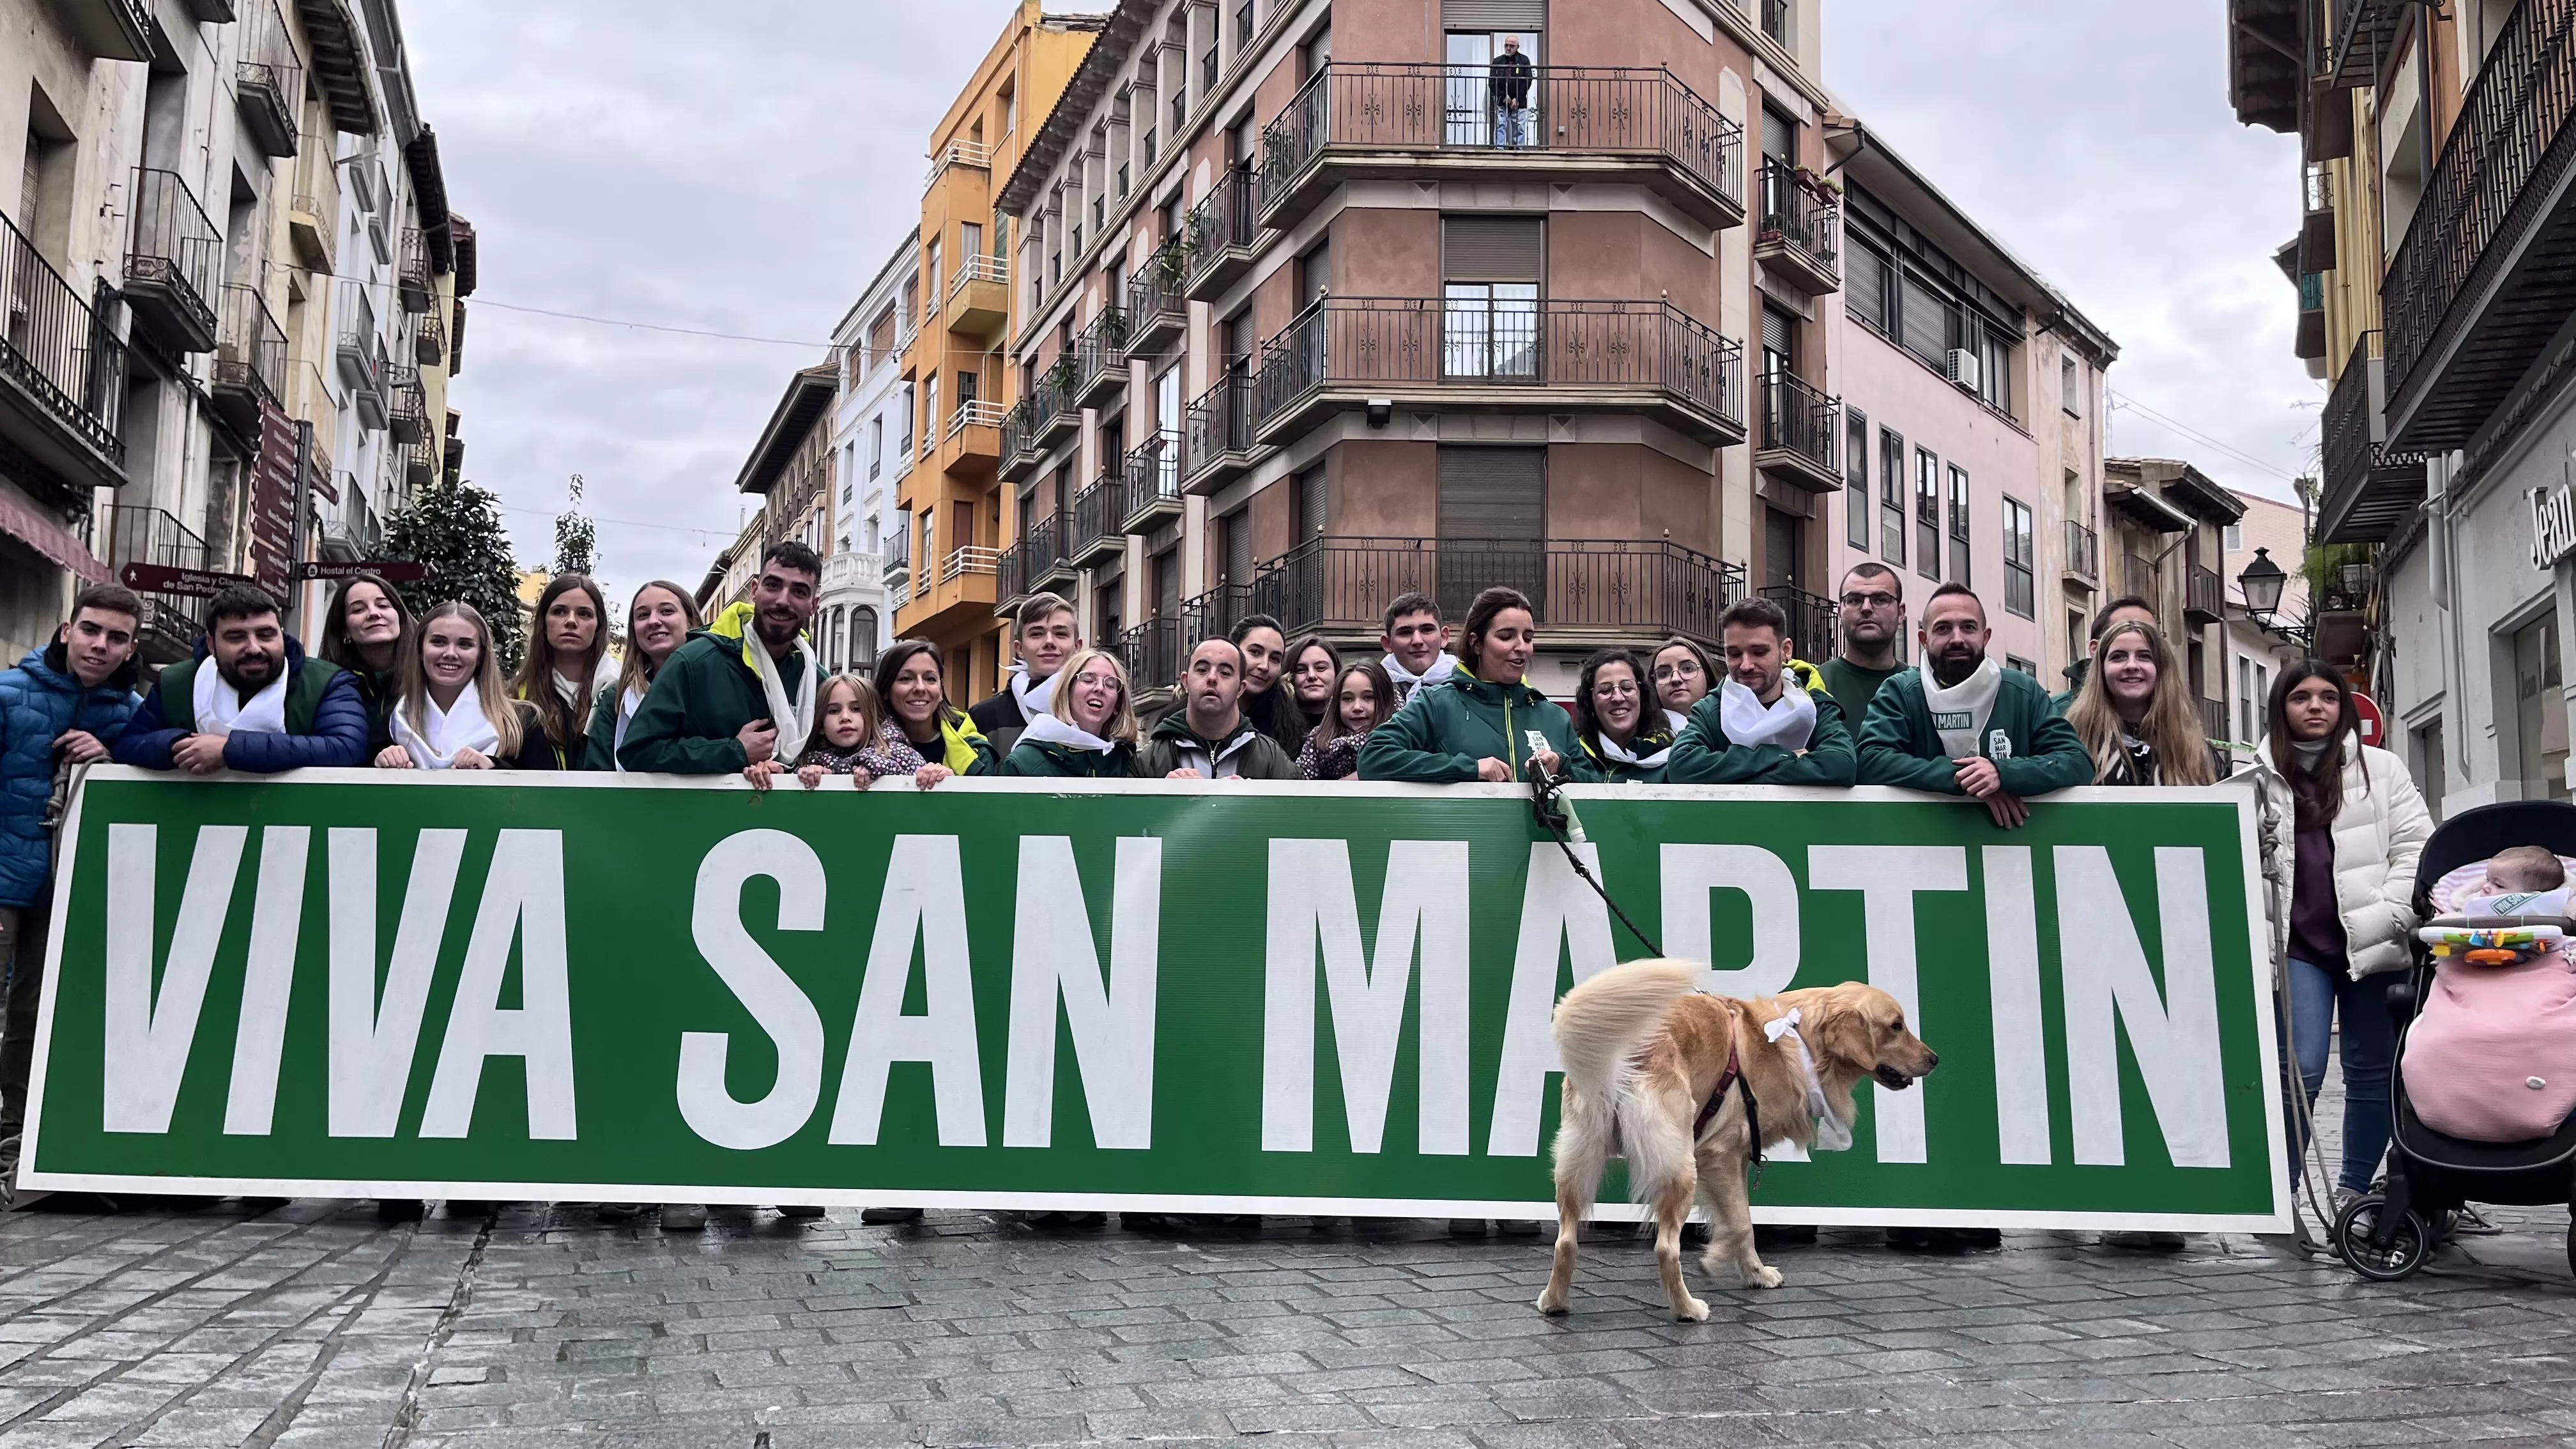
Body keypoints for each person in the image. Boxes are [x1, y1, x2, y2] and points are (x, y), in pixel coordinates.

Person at [2251, 661, 2431, 1220]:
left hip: (2373, 942)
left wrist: (2394, 913)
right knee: (2300, 1069)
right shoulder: (2252, 777)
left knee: (2372, 1070)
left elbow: (2416, 846)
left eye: (2328, 696)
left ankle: (2354, 1190)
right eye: (2301, 696)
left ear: (2343, 707)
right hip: (2296, 946)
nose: (2315, 706)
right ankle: (2279, 1193)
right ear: (2281, 706)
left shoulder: (2383, 768)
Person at [1, 585, 143, 1200]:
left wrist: (112, 752)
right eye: (91, 630)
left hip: (69, 888)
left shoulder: (133, 713)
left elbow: (152, 765)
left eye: (116, 637)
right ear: (67, 630)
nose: (100, 645)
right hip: (5, 879)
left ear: (131, 646)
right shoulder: (9, 695)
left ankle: (14, 1151)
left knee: (34, 1020)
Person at [1855, 583, 2092, 831]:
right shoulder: (1900, 692)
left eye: (1968, 628)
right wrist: (1967, 780)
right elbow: (1871, 761)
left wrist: (2003, 774)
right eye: (1943, 628)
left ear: (1985, 636)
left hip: (2010, 846)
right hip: (1918, 844)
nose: (1957, 639)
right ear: (1924, 639)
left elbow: (2077, 761)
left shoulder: (2023, 691)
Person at [618, 543, 822, 788]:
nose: (782, 600)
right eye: (773, 585)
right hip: (705, 822)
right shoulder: (693, 662)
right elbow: (637, 751)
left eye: (799, 592)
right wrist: (734, 752)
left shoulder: (816, 680)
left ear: (814, 604)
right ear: (755, 590)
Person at [114, 586, 371, 774]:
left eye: (266, 634)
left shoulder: (329, 683)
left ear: (282, 636)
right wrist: (180, 745)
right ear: (212, 644)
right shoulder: (177, 682)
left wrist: (230, 750)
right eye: (236, 637)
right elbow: (129, 745)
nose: (254, 648)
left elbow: (347, 748)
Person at [1360, 586, 1586, 785]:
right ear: (1476, 643)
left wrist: (1561, 766)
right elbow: (1373, 757)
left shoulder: (1555, 716)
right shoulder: (1437, 703)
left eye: (1528, 638)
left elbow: (1598, 783)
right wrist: (1471, 768)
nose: (1521, 647)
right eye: (1506, 636)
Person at [1667, 597, 1857, 786]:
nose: (1746, 665)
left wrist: (1731, 774)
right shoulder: (1709, 710)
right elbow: (1681, 766)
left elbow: (1841, 765)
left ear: (1786, 650)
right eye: (1734, 654)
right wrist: (1786, 757)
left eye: (1759, 652)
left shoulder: (1817, 706)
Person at [374, 602, 556, 771]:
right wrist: (380, 767)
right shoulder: (392, 721)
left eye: (465, 644)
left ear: (480, 657)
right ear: (421, 651)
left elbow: (545, 798)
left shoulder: (522, 723)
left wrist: (496, 769)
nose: (450, 653)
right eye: (439, 642)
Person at [2064, 620, 2223, 789]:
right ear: (2102, 670)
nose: (2132, 665)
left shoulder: (2199, 754)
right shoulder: (2069, 744)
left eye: (2144, 656)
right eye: (2118, 656)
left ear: (2161, 669)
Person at [582, 581, 702, 771]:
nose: (653, 621)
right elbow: (597, 778)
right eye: (643, 615)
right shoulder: (615, 697)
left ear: (692, 621)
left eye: (667, 611)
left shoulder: (723, 686)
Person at [1139, 638, 1300, 779]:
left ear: (1240, 689)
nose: (1212, 678)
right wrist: (1162, 799)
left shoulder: (1272, 758)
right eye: (1202, 670)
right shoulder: (1150, 759)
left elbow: (1302, 811)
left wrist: (1253, 803)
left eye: (1225, 672)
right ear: (1185, 681)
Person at [512, 574, 610, 769]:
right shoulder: (515, 700)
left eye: (584, 614)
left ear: (598, 626)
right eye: (559, 611)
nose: (571, 621)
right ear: (544, 623)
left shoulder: (622, 691)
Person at [868, 640, 997, 786]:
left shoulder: (976, 751)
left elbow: (984, 806)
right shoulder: (860, 744)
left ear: (941, 690)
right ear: (886, 690)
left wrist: (952, 784)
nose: (921, 688)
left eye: (930, 679)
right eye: (906, 679)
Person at [997, 648, 1142, 778]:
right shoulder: (1024, 762)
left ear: (1117, 704)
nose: (1099, 688)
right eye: (1088, 679)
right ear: (1067, 691)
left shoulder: (1128, 764)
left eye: (1110, 684)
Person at [969, 592, 1080, 755]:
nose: (1049, 642)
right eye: (1037, 633)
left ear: (1077, 647)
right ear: (1019, 649)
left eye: (1060, 634)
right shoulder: (984, 717)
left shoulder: (1099, 712)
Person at [316, 572, 415, 754]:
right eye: (358, 609)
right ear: (345, 630)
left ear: (399, 616)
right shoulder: (329, 685)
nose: (374, 614)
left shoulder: (429, 676)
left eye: (383, 605)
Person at [1570, 649, 1676, 783]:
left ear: (1642, 696)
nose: (1618, 698)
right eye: (1605, 690)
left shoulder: (1673, 756)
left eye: (1627, 688)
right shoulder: (1574, 758)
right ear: (1590, 701)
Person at [1819, 562, 1908, 721]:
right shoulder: (1814, 686)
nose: (1866, 608)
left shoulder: (1919, 688)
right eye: (1854, 600)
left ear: (1900, 613)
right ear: (1840, 612)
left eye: (1880, 599)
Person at [2055, 594, 2158, 714]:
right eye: (2122, 629)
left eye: (2149, 634)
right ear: (2095, 649)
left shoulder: (2180, 714)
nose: (2135, 634)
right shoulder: (2056, 716)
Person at [778, 673, 880, 790]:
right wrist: (809, 775)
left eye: (856, 709)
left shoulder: (890, 752)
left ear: (873, 717)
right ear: (821, 725)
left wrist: (876, 766)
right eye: (834, 711)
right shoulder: (810, 761)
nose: (845, 717)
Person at [1299, 660, 1392, 781]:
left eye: (1368, 697)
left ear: (1385, 701)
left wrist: (1366, 775)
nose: (1357, 707)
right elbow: (1298, 786)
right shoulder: (1317, 741)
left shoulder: (1400, 739)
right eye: (1347, 699)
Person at [1228, 613, 1303, 752]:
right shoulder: (1187, 716)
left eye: (1275, 659)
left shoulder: (1290, 729)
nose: (1264, 666)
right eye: (1255, 652)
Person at [1377, 593, 1457, 710]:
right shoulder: (1373, 688)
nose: (1417, 641)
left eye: (1427, 630)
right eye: (1405, 632)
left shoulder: (1469, 684)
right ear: (1387, 643)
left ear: (1444, 637)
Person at [1649, 638, 1716, 733]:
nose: (1675, 679)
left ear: (1707, 675)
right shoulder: (1643, 743)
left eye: (1688, 668)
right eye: (1663, 674)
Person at [1284, 635, 1341, 742]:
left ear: (1337, 673)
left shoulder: (1354, 724)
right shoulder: (1274, 729)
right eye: (1301, 670)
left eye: (1321, 668)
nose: (1311, 675)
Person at [1489, 34, 1534, 148]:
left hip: (1519, 102)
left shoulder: (1524, 60)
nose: (1508, 48)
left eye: (1511, 46)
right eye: (1506, 45)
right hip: (1502, 101)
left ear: (1517, 47)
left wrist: (1517, 98)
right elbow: (1492, 82)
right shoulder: (1498, 61)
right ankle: (1499, 150)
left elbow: (1528, 81)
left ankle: (1518, 150)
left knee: (1519, 127)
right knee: (1500, 125)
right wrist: (1504, 96)